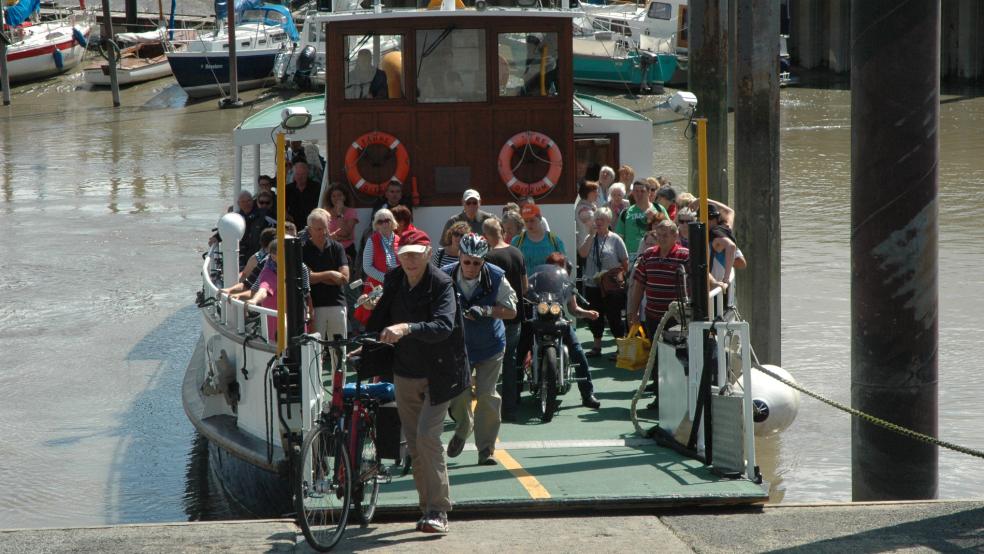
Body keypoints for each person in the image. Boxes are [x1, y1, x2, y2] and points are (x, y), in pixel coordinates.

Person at [364, 232, 470, 535]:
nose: (409, 259)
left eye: (415, 253)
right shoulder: (395, 278)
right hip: (404, 372)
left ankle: (439, 509)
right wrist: (370, 338)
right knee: (414, 445)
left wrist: (407, 328)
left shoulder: (441, 284)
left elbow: (444, 326)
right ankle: (427, 510)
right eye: (405, 254)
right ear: (398, 255)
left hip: (440, 372)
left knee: (427, 437)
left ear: (427, 252)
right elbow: (382, 314)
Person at [443, 234, 517, 465]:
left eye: (477, 262)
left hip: (490, 345)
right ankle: (464, 427)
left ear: (483, 261)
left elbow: (512, 311)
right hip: (458, 346)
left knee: (487, 395)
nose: (471, 267)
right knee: (458, 393)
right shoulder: (444, 275)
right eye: (467, 262)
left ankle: (486, 449)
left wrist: (485, 311)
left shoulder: (497, 277)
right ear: (460, 257)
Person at [539, 252, 601, 409]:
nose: (557, 270)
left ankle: (587, 394)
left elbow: (573, 309)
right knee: (520, 349)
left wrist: (587, 313)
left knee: (578, 352)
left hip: (560, 323)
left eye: (560, 267)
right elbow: (527, 295)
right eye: (554, 266)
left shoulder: (567, 285)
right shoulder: (538, 282)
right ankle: (515, 393)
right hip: (539, 323)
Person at [482, 218, 527, 422]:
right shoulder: (517, 252)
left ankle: (490, 409)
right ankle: (511, 407)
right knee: (510, 360)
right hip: (515, 317)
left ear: (485, 236)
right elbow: (524, 287)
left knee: (490, 364)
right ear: (501, 231)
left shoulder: (488, 257)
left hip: (496, 317)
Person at [577, 207, 628, 356]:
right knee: (594, 316)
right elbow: (582, 253)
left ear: (609, 221)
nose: (598, 222)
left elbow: (625, 262)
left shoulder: (615, 239)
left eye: (602, 219)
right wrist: (591, 236)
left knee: (614, 316)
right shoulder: (590, 237)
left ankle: (621, 347)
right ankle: (597, 346)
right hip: (593, 284)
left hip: (611, 285)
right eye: (597, 219)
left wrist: (618, 277)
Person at [627, 219, 690, 340]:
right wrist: (634, 311)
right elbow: (639, 285)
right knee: (654, 352)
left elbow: (699, 278)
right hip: (652, 316)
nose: (661, 239)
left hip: (677, 317)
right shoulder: (648, 255)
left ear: (675, 236)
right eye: (659, 235)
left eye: (665, 235)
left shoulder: (685, 255)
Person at [302, 209, 350, 341]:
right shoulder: (302, 250)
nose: (323, 232)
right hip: (314, 307)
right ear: (310, 230)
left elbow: (344, 278)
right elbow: (307, 278)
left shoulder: (337, 247)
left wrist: (317, 277)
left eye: (325, 228)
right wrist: (330, 274)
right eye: (318, 229)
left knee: (339, 349)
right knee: (316, 349)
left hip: (337, 303)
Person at [355, 209, 400, 325]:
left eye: (387, 220)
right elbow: (367, 267)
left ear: (393, 222)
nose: (384, 224)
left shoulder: (400, 240)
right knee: (377, 321)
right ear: (376, 225)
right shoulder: (371, 240)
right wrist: (385, 279)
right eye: (380, 222)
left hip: (397, 285)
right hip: (376, 286)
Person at [614, 180, 668, 261]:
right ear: (632, 193)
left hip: (655, 254)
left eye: (642, 191)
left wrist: (656, 218)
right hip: (632, 256)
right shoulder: (626, 212)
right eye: (636, 191)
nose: (639, 194)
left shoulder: (659, 209)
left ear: (649, 192)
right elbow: (619, 237)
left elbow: (669, 230)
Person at [511, 204, 565, 277]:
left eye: (532, 220)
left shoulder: (554, 240)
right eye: (526, 221)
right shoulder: (517, 241)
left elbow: (563, 264)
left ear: (539, 218)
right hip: (525, 285)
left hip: (549, 284)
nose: (529, 224)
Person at [325, 183, 359, 263]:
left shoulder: (351, 212)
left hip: (347, 250)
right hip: (330, 249)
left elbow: (344, 233)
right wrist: (342, 238)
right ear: (330, 198)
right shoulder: (325, 213)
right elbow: (324, 235)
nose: (337, 198)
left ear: (344, 197)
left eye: (339, 195)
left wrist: (339, 213)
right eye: (333, 196)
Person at [285, 161, 320, 229]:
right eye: (297, 174)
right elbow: (282, 205)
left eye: (303, 174)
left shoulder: (316, 187)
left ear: (307, 174)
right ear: (294, 175)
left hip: (312, 223)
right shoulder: (288, 189)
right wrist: (286, 215)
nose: (300, 177)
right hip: (293, 224)